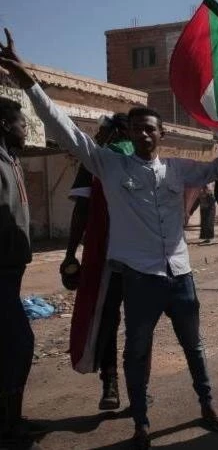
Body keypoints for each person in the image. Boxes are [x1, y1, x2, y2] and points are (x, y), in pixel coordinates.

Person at [1, 29, 218, 449]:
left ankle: (207, 406)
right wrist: (28, 80)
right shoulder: (109, 167)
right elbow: (62, 128)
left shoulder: (179, 169)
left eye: (150, 130)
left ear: (161, 134)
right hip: (140, 278)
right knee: (137, 351)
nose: (143, 135)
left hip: (181, 276)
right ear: (130, 134)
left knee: (195, 347)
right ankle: (142, 423)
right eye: (136, 130)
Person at [60, 113, 153, 412]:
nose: (101, 137)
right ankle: (138, 389)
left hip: (110, 259)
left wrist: (70, 254)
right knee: (140, 324)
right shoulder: (143, 161)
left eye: (105, 132)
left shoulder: (99, 160)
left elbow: (81, 212)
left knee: (108, 322)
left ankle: (111, 384)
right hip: (136, 258)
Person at [0, 93, 40, 449]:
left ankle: (11, 417)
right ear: (4, 125)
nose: (26, 129)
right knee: (20, 343)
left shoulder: (13, 160)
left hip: (12, 270)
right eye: (22, 123)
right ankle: (9, 422)